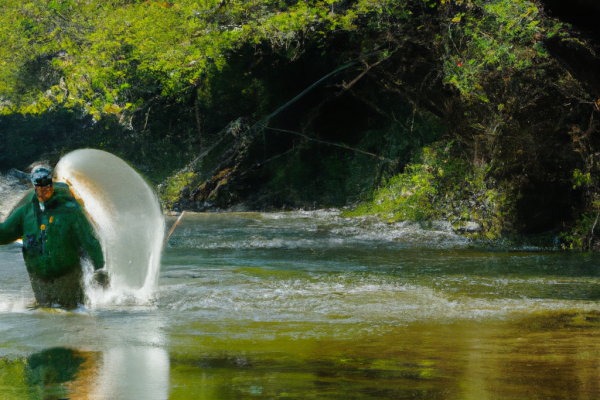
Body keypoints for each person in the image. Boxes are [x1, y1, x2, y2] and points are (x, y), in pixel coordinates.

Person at [0, 166, 106, 308]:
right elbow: (5, 233)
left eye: (46, 186)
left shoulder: (70, 212)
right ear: (34, 186)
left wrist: (99, 269)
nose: (43, 190)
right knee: (46, 318)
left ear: (51, 184)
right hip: (40, 283)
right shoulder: (26, 213)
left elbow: (90, 241)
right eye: (39, 186)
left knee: (73, 314)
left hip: (68, 279)